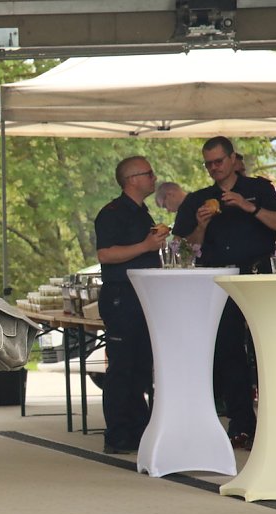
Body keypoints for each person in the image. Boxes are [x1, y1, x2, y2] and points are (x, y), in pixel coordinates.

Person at [173, 136, 276, 450]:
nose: (214, 168)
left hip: (258, 275)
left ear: (232, 159)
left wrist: (248, 207)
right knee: (229, 352)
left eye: (219, 161)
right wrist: (201, 226)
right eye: (208, 164)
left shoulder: (259, 189)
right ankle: (241, 425)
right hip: (219, 278)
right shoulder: (198, 199)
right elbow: (185, 248)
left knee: (267, 349)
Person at [94, 156, 165, 454]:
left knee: (140, 365)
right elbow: (105, 254)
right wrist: (145, 247)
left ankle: (139, 426)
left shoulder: (142, 212)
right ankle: (118, 432)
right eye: (149, 173)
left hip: (144, 296)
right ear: (132, 179)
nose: (154, 177)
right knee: (122, 366)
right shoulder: (112, 213)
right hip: (122, 295)